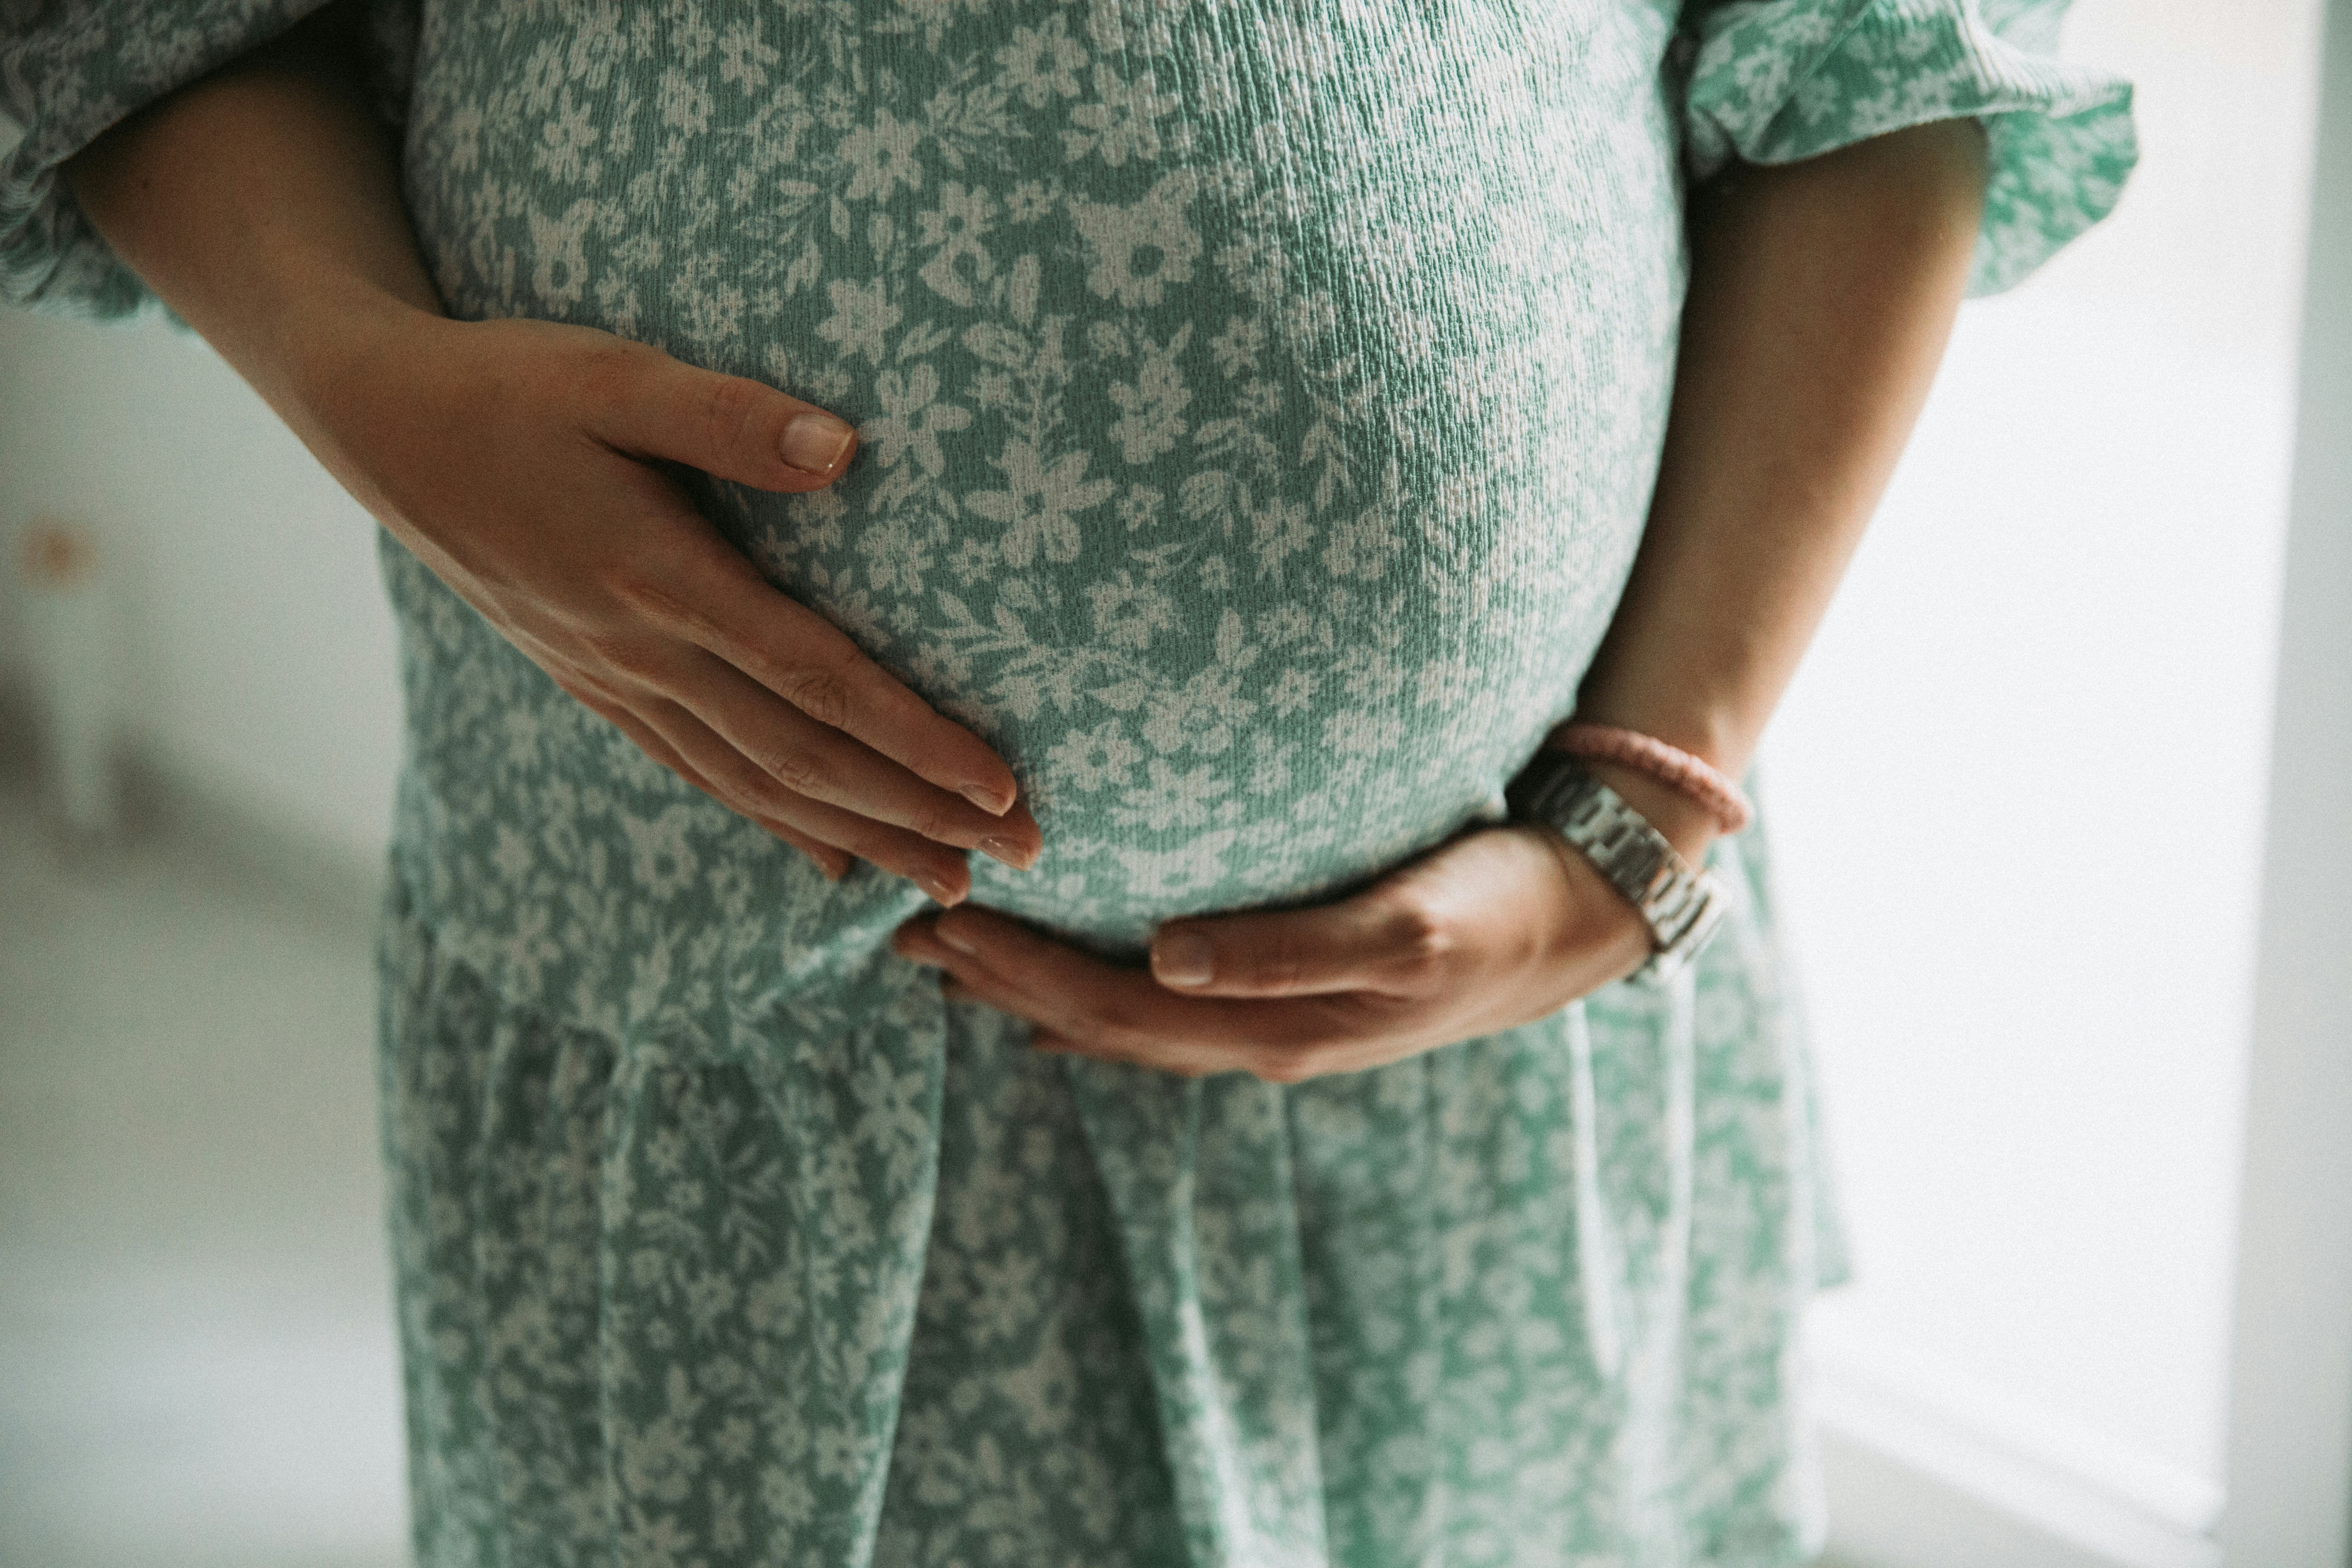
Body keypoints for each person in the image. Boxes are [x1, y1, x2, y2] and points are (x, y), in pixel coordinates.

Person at [0, 1, 2135, 1562]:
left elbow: (1895, 45)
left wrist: (1651, 811)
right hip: (731, 1047)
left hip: (1491, 1022)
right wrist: (362, 371)